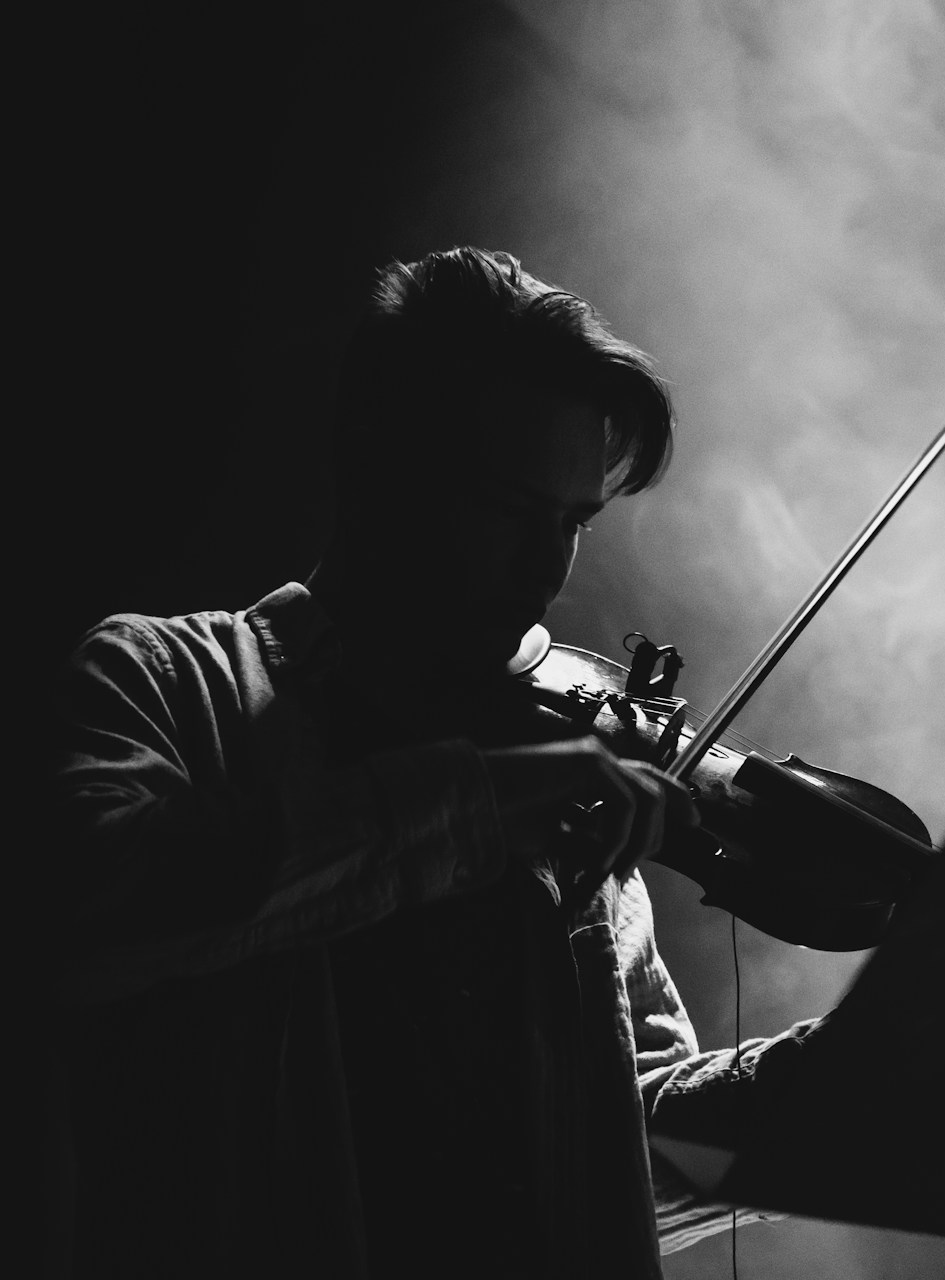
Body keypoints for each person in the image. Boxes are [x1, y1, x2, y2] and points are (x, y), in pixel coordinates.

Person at [43, 247, 814, 1277]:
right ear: (379, 470)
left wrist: (853, 1069)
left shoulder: (556, 766)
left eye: (572, 522)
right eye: (508, 509)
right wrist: (484, 796)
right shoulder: (165, 681)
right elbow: (93, 908)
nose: (547, 568)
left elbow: (635, 1139)